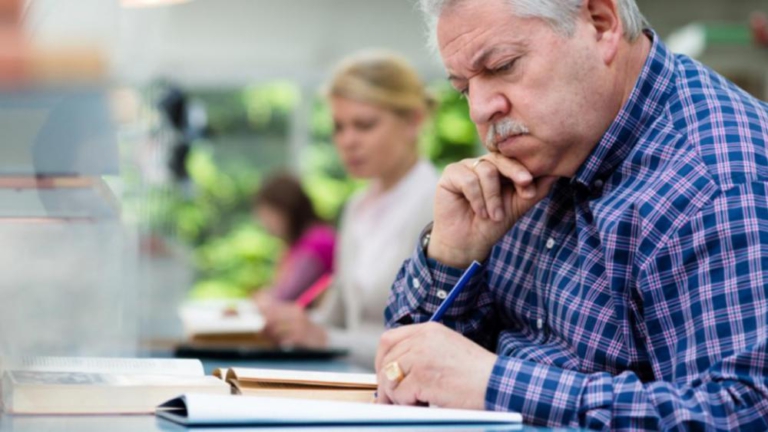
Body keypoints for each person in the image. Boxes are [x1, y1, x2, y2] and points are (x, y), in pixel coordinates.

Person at [374, 0, 768, 430]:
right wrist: (452, 255)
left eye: (503, 66)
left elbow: (744, 410)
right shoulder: (543, 150)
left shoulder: (718, 180)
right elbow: (412, 367)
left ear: (601, 23)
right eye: (464, 88)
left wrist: (495, 385)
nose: (480, 110)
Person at [259, 51, 440, 367]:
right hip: (351, 386)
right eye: (339, 127)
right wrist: (292, 322)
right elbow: (335, 317)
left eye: (364, 125)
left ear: (414, 120)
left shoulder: (440, 205)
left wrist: (326, 339)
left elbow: (432, 342)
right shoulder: (357, 207)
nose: (348, 141)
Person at [252, 173, 335, 303]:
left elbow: (285, 296)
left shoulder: (317, 241)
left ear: (285, 209)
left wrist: (264, 298)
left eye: (268, 215)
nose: (265, 223)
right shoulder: (299, 243)